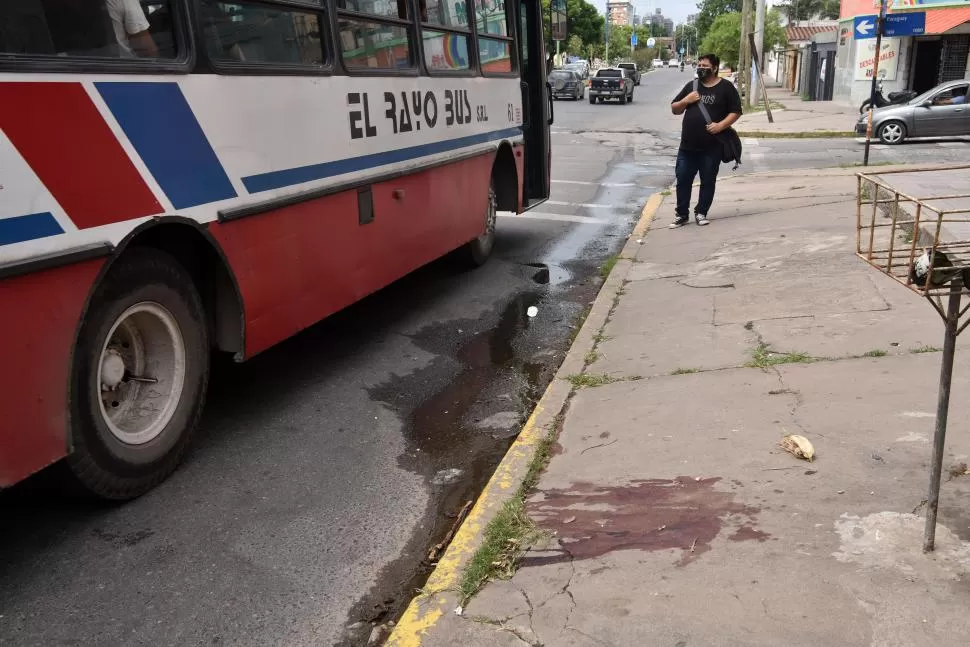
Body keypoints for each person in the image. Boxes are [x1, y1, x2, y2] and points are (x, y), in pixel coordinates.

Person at [668, 53, 742, 228]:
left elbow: (736, 111)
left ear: (715, 68)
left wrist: (721, 125)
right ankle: (681, 214)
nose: (701, 68)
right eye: (699, 65)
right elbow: (674, 109)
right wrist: (686, 100)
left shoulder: (726, 87)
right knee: (683, 179)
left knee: (708, 181)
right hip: (687, 146)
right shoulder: (692, 86)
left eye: (705, 66)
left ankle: (701, 212)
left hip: (712, 147)